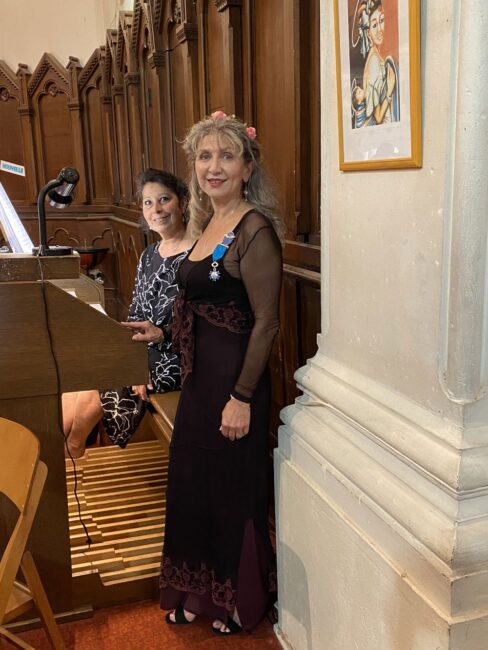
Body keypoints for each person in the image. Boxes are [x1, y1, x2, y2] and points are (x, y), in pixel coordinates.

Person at [159, 111, 283, 635]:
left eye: (226, 156)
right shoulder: (205, 222)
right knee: (194, 487)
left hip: (235, 384)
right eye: (205, 156)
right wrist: (161, 332)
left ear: (247, 167)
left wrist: (242, 397)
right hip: (197, 384)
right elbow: (197, 304)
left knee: (231, 492)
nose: (214, 167)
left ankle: (237, 600)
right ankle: (197, 592)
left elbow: (267, 322)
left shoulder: (255, 229)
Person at [62, 169, 193, 458]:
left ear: (182, 202)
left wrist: (138, 363)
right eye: (148, 202)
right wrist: (124, 349)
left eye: (164, 199)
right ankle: (70, 457)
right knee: (83, 372)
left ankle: (74, 452)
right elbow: (136, 311)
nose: (156, 209)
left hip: (177, 357)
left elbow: (197, 328)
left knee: (98, 379)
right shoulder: (150, 254)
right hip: (143, 349)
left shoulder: (196, 256)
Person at [362, 0, 398, 126]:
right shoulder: (374, 63)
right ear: (368, 33)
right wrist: (389, 89)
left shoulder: (376, 57)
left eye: (381, 21)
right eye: (374, 25)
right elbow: (378, 117)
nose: (380, 30)